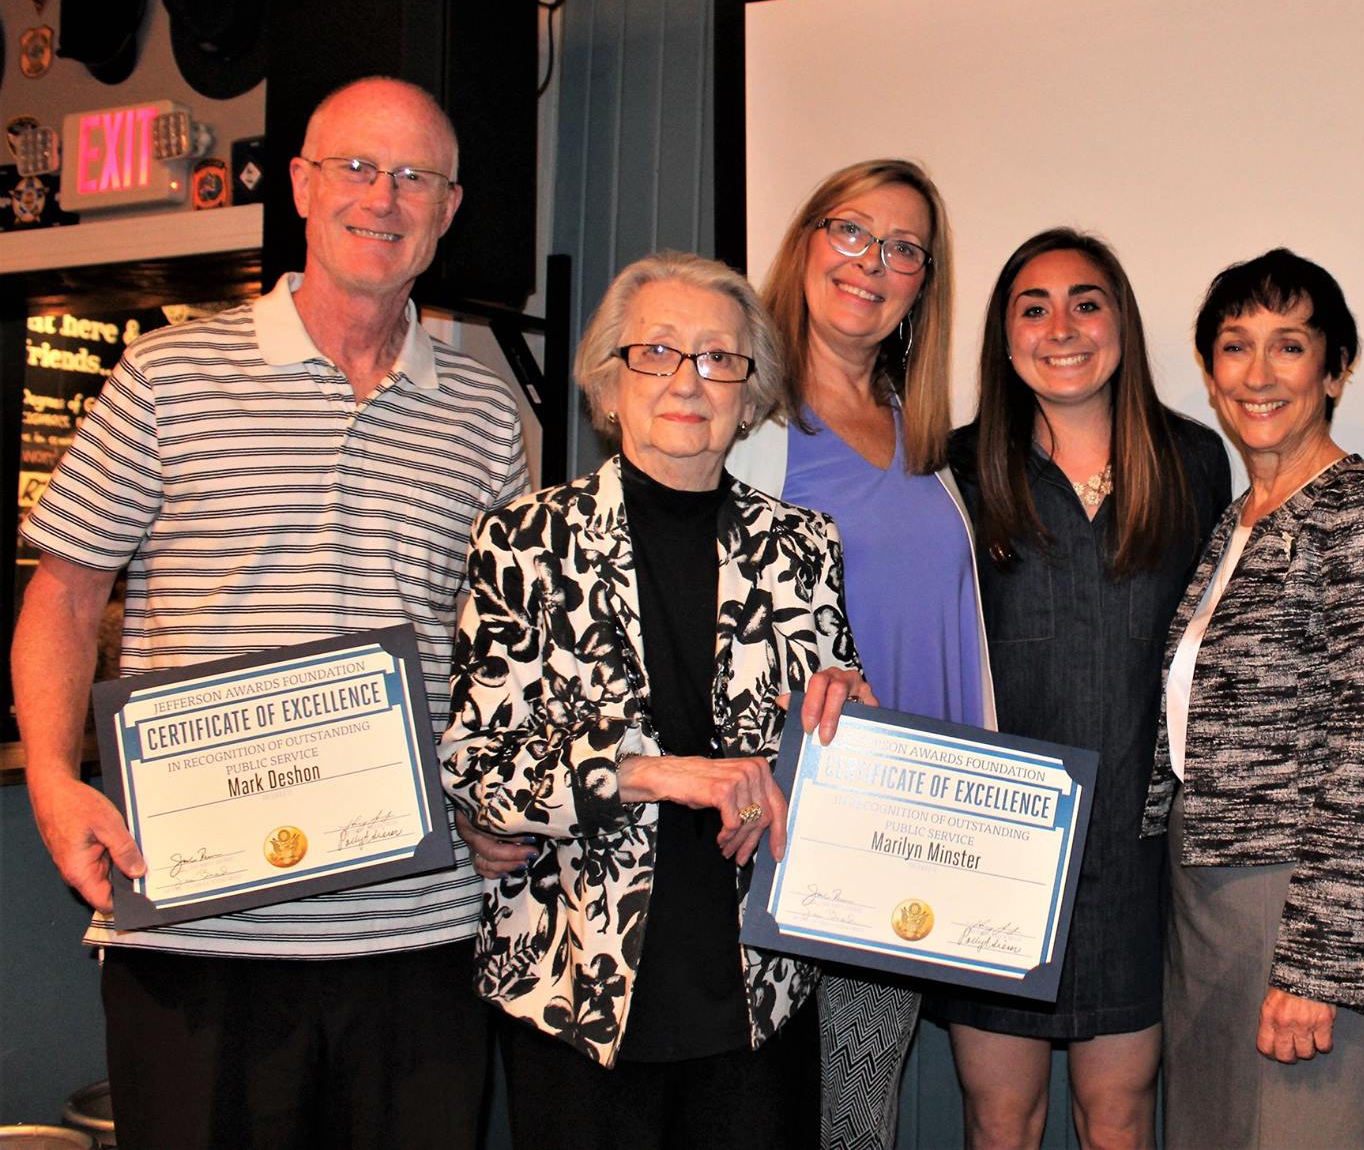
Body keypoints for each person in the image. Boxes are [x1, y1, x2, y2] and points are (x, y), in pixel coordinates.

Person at [11, 76, 528, 1149]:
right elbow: (63, 593)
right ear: (300, 182)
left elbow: (501, 650)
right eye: (355, 167)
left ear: (448, 208)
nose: (381, 199)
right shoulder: (164, 376)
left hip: (415, 936)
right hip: (199, 930)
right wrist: (57, 783)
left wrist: (491, 797)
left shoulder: (487, 416)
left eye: (413, 178)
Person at [441, 252, 874, 1149]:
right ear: (610, 380)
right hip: (574, 995)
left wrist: (848, 728)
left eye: (720, 358)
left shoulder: (803, 547)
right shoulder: (524, 542)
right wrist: (655, 774)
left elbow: (823, 746)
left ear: (749, 395)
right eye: (658, 352)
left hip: (760, 991)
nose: (689, 379)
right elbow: (479, 769)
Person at [934, 230, 1232, 1149]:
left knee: (1120, 1120)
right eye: (1034, 306)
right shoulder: (953, 466)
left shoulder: (1192, 462)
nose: (1061, 326)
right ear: (1005, 332)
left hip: (1135, 855)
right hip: (993, 848)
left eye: (1086, 301)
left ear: (1123, 322)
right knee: (1001, 1121)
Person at [1141, 249, 1364, 1149]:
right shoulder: (1235, 521)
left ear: (1335, 368)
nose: (1258, 374)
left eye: (1290, 346)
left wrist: (1318, 962)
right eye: (1235, 347)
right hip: (1206, 899)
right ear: (1209, 371)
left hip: (1304, 901)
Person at [728, 158, 995, 1149]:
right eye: (849, 231)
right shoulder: (737, 414)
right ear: (804, 239)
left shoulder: (926, 440)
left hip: (905, 836)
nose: (870, 262)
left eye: (902, 249)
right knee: (760, 1115)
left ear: (923, 283)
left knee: (857, 1117)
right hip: (779, 835)